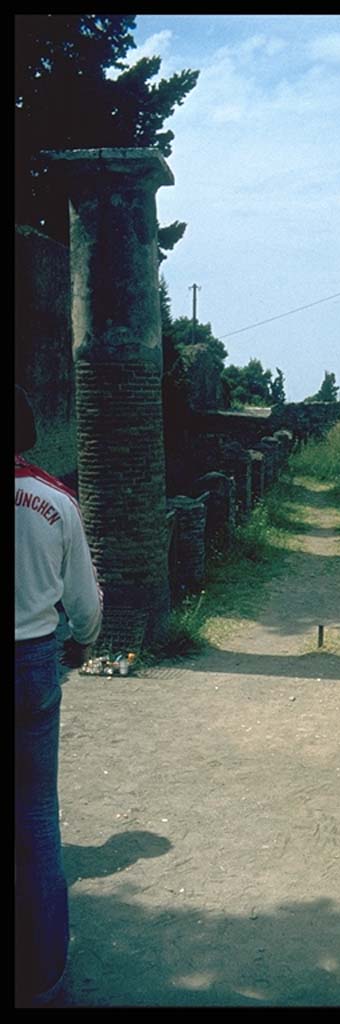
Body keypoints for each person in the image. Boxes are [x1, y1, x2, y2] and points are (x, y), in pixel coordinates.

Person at [15, 385, 102, 1006]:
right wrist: (84, 639)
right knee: (38, 820)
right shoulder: (54, 501)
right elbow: (87, 605)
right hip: (33, 662)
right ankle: (45, 980)